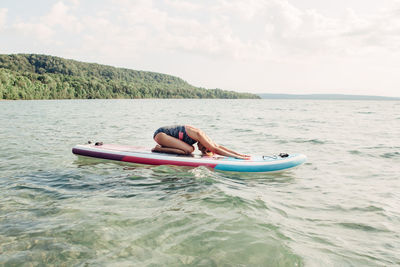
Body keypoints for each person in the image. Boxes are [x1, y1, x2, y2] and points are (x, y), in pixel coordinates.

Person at [152, 125, 250, 159]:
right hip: (161, 135)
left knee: (190, 149)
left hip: (164, 137)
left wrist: (239, 153)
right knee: (189, 150)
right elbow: (215, 149)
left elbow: (218, 146)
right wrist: (238, 157)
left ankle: (160, 147)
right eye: (203, 148)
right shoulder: (199, 134)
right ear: (206, 144)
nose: (200, 149)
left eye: (202, 150)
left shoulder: (206, 139)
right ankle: (159, 149)